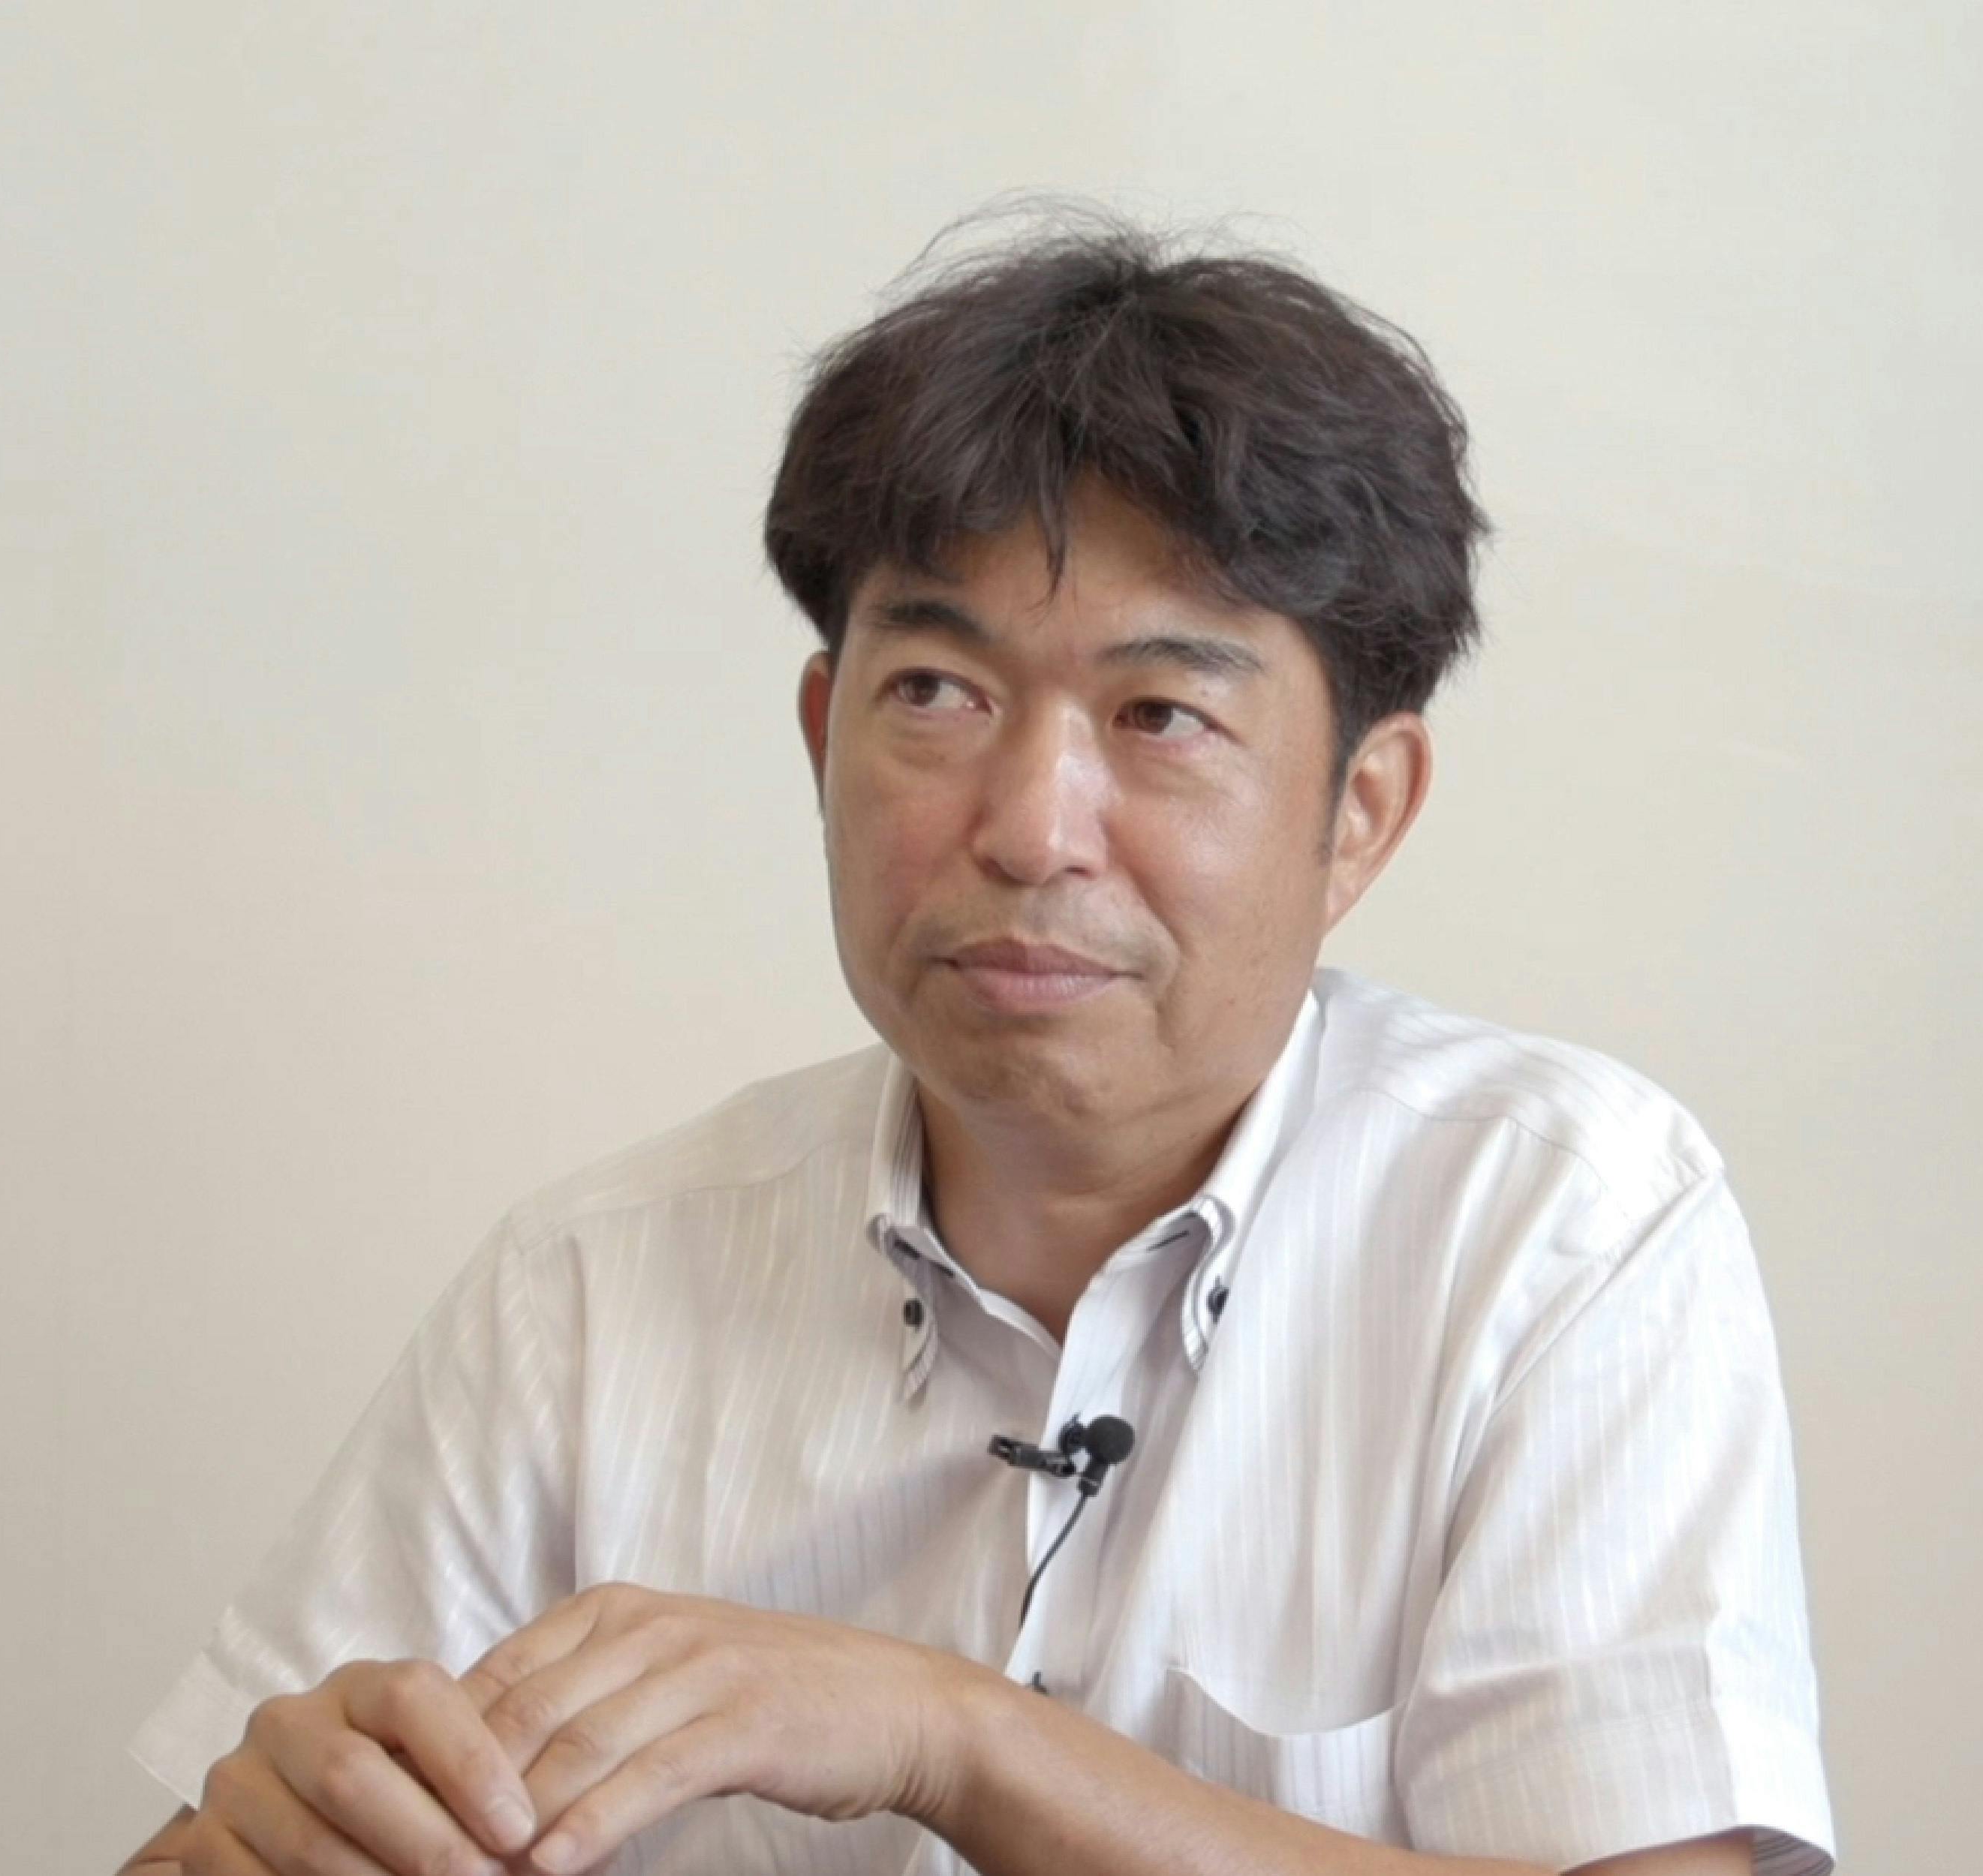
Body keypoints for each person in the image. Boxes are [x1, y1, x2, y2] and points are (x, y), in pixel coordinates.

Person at [116, 205, 1837, 1876]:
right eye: (937, 694)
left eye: (1161, 715)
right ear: (825, 738)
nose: (1031, 827)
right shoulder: (586, 1286)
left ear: (1361, 812)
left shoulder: (1554, 1225)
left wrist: (953, 1735)